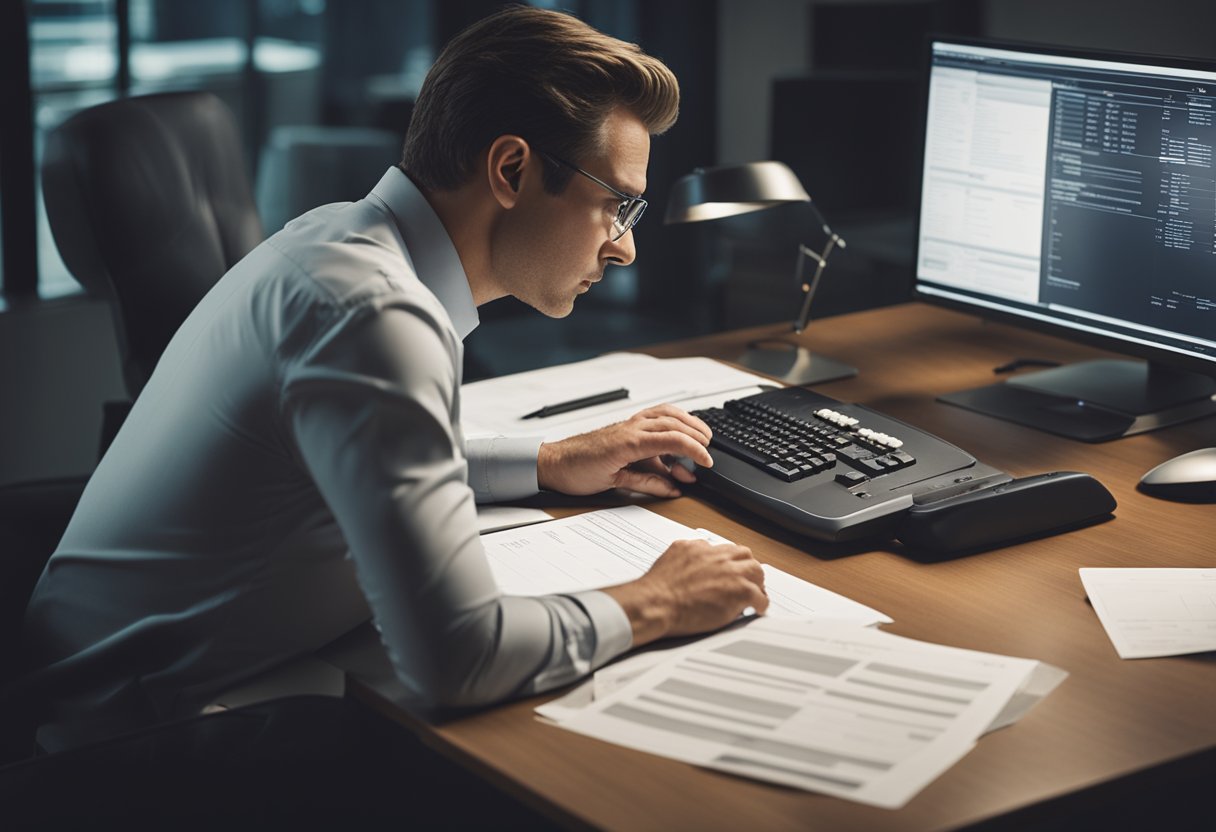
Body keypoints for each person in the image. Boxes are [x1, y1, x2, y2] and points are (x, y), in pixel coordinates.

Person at [20, 5, 768, 753]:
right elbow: (459, 658)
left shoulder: (335, 239)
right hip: (123, 748)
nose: (625, 248)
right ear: (511, 170)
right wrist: (657, 600)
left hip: (119, 689)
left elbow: (348, 459)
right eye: (615, 205)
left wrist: (548, 461)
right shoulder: (374, 314)